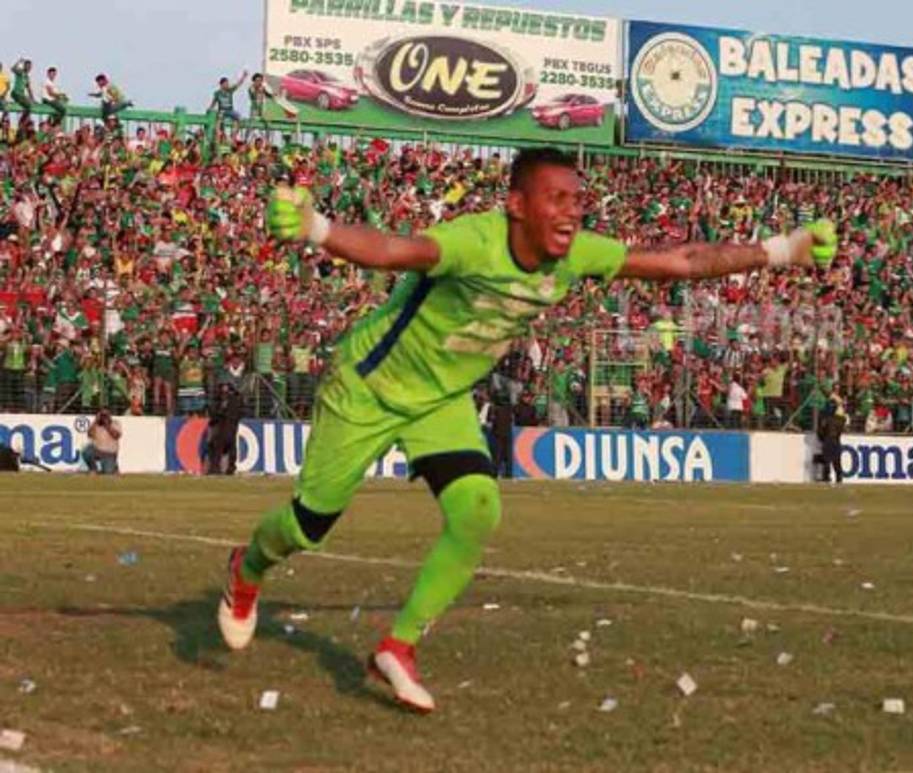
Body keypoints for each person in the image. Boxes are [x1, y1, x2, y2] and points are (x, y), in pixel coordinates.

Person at [217, 147, 835, 713]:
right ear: (516, 205)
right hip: (368, 388)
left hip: (443, 398)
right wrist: (318, 229)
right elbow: (393, 250)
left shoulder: (579, 253)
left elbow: (680, 261)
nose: (572, 211)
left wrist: (783, 250)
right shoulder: (473, 241)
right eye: (556, 199)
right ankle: (247, 570)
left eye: (577, 199)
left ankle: (398, 646)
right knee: (307, 527)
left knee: (477, 509)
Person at [207, 382, 244, 475]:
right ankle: (231, 468)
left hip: (222, 428)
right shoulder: (237, 401)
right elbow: (241, 413)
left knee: (216, 449)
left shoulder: (222, 401)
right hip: (232, 429)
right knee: (232, 449)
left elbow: (215, 416)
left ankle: (215, 468)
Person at [815, 396, 847, 484]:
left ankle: (826, 478)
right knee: (837, 462)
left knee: (827, 461)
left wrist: (822, 439)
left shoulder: (824, 419)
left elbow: (820, 432)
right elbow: (842, 429)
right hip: (836, 441)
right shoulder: (841, 419)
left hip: (827, 440)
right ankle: (839, 478)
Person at [82, 409, 122, 475]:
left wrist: (107, 426)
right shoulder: (96, 425)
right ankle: (93, 469)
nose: (104, 417)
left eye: (105, 415)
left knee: (108, 472)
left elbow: (116, 435)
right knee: (86, 452)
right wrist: (95, 421)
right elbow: (89, 434)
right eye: (102, 415)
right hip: (97, 450)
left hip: (109, 453)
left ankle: (114, 467)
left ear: (109, 415)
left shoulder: (115, 423)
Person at [209, 71, 247, 135]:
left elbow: (238, 84)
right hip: (222, 110)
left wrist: (243, 76)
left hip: (230, 110)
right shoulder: (217, 93)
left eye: (227, 83)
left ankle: (234, 133)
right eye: (226, 83)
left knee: (238, 117)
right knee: (219, 117)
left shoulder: (229, 90)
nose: (227, 84)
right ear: (221, 84)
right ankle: (218, 131)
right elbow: (214, 102)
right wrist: (210, 108)